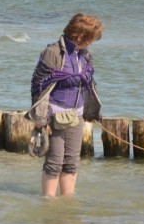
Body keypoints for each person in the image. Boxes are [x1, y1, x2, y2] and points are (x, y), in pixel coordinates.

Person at [25, 13, 104, 197]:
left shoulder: (85, 55)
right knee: (54, 162)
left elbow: (88, 84)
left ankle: (67, 202)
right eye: (90, 38)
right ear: (78, 35)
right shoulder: (52, 52)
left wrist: (92, 111)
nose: (91, 42)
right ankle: (48, 202)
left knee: (71, 162)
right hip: (54, 115)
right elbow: (37, 85)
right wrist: (39, 119)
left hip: (77, 114)